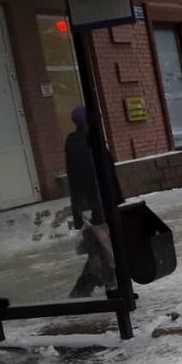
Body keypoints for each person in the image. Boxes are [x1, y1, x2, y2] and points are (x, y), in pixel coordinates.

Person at [65, 105, 122, 297]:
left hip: (103, 202)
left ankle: (100, 289)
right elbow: (80, 179)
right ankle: (110, 289)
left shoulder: (91, 140)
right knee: (104, 249)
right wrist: (85, 208)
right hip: (94, 205)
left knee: (101, 250)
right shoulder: (79, 144)